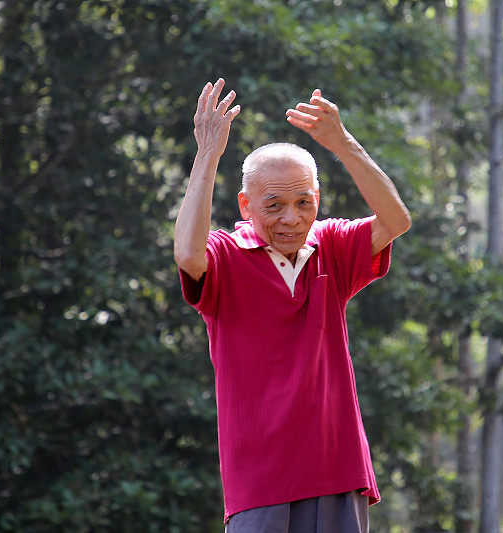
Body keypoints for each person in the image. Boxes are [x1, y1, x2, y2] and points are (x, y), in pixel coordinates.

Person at [173, 78, 411, 532]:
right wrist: (207, 154)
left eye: (304, 203)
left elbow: (396, 219)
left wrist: (341, 142)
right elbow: (187, 254)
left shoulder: (332, 247)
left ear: (317, 202)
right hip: (259, 478)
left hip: (336, 467)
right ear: (246, 205)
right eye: (274, 204)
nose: (291, 218)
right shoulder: (225, 256)